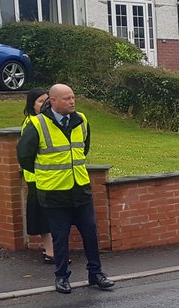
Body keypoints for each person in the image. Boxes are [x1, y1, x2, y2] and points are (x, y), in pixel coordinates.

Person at [16, 83, 114, 294]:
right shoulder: (37, 124)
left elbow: (83, 148)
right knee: (60, 237)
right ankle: (61, 277)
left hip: (80, 188)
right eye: (67, 98)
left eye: (73, 97)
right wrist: (47, 175)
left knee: (90, 233)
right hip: (53, 191)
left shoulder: (81, 120)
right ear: (53, 102)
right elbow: (24, 156)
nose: (72, 102)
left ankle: (96, 274)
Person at [20, 88, 57, 264]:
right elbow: (26, 155)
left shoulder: (48, 121)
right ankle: (50, 252)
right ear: (32, 105)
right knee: (44, 217)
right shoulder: (32, 124)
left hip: (51, 177)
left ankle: (52, 250)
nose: (45, 105)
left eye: (47, 101)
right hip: (36, 179)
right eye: (40, 102)